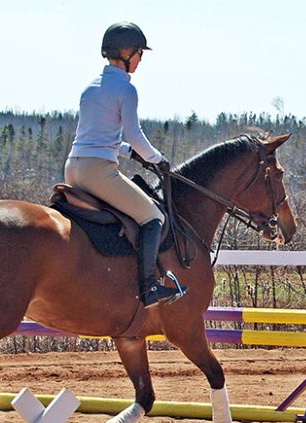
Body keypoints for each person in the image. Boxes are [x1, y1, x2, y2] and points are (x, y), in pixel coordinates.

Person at [64, 21, 186, 308]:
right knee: (153, 217)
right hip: (98, 171)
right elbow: (134, 133)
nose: (141, 60)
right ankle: (149, 289)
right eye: (140, 53)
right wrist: (157, 159)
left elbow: (104, 138)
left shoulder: (90, 88)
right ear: (128, 53)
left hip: (73, 168)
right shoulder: (126, 89)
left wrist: (131, 154)